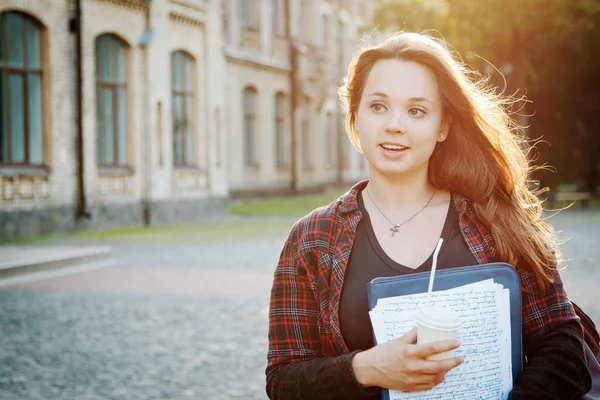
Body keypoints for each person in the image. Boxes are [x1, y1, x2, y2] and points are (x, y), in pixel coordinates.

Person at [265, 31, 592, 399]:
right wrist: (368, 368)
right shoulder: (312, 238)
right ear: (355, 117)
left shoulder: (495, 220)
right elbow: (283, 380)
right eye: (378, 106)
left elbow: (565, 346)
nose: (395, 125)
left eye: (416, 110)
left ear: (443, 126)